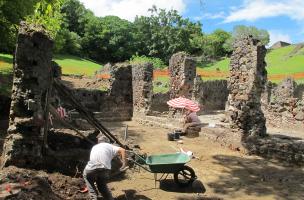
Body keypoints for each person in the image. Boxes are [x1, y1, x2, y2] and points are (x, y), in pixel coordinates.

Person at [83, 135, 127, 200]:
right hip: (105, 169)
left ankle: (94, 197)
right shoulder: (110, 146)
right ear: (107, 142)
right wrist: (124, 164)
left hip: (92, 168)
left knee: (87, 177)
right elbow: (123, 150)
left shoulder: (94, 147)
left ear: (98, 142)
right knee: (102, 185)